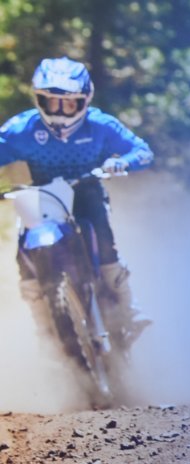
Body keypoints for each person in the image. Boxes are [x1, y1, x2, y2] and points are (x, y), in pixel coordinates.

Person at [0, 56, 153, 345]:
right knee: (24, 253)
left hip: (87, 190)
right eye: (52, 102)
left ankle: (129, 311)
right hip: (42, 194)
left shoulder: (100, 125)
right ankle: (44, 329)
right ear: (39, 100)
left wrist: (122, 163)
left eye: (68, 104)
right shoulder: (22, 129)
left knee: (105, 242)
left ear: (84, 101)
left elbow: (142, 151)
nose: (59, 112)